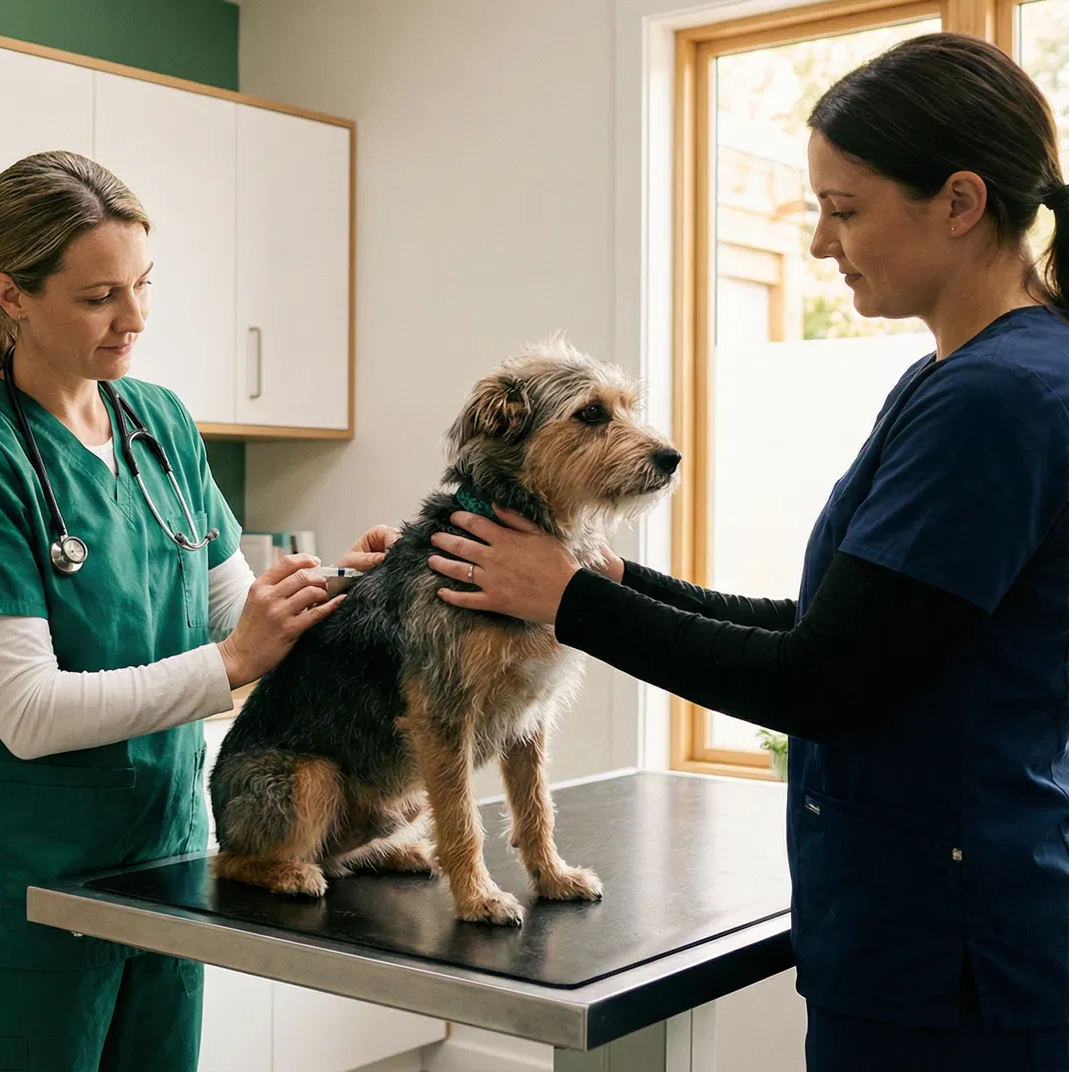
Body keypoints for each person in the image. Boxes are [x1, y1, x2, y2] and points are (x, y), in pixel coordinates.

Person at [420, 33, 1069, 1070]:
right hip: (932, 927)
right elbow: (833, 625)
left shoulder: (996, 399)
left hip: (950, 959)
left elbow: (820, 679)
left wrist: (570, 601)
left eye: (844, 209)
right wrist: (608, 577)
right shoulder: (961, 377)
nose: (819, 242)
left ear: (959, 201)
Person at [0, 150, 398, 1072]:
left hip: (166, 870)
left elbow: (235, 610)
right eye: (99, 297)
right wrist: (233, 663)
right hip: (30, 892)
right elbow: (28, 713)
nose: (133, 318)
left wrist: (358, 590)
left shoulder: (159, 423)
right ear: (12, 296)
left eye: (142, 285)